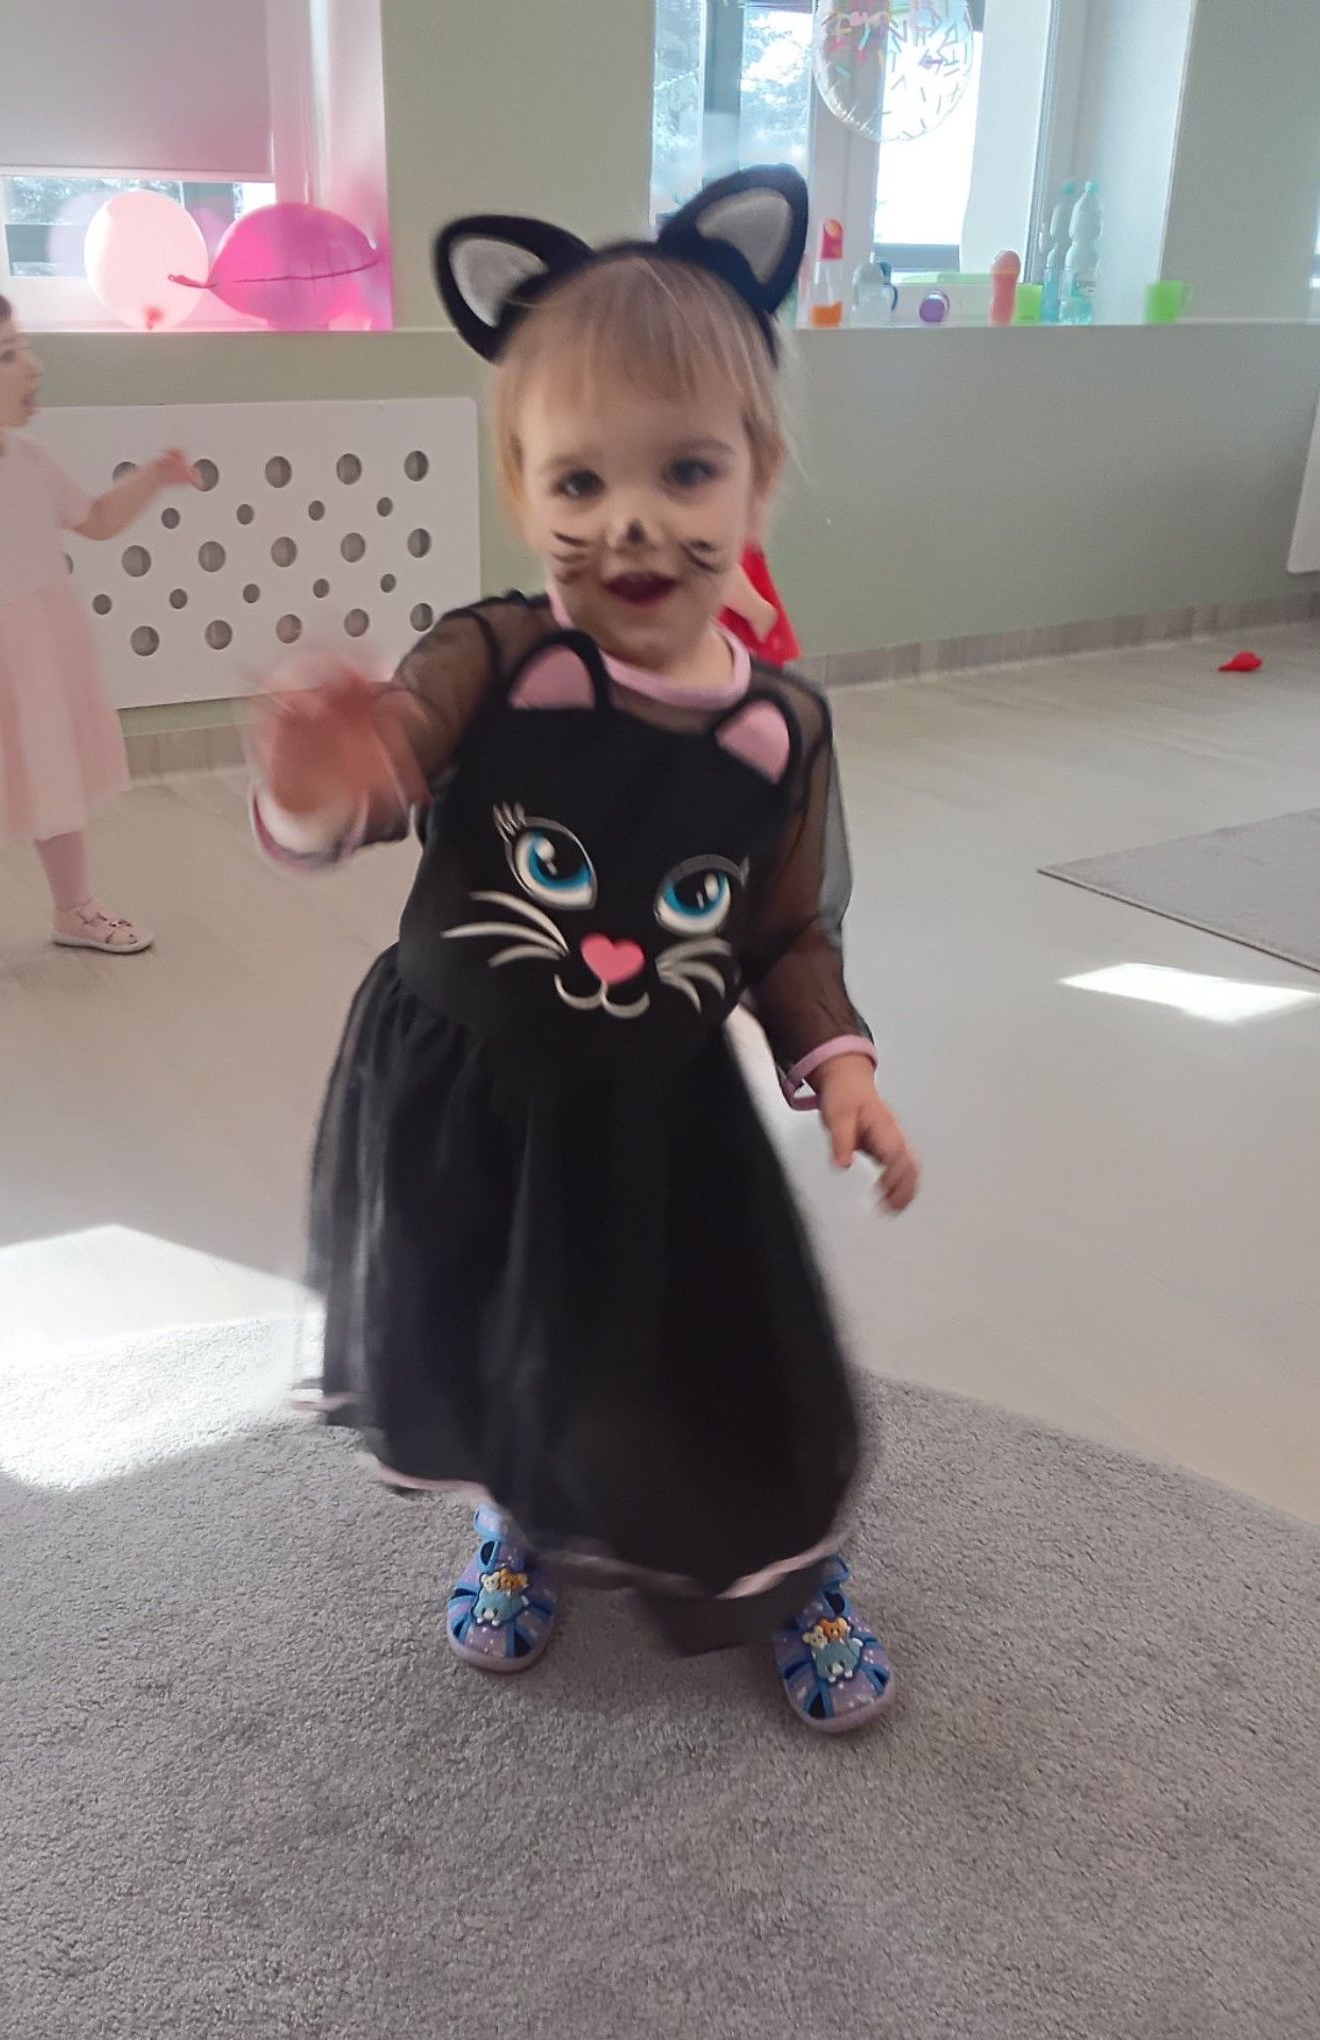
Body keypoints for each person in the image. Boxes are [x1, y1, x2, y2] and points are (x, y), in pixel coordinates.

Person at [251, 169, 920, 1728]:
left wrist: (840, 1067)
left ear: (756, 481)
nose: (630, 520)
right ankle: (522, 1518)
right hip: (464, 1093)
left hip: (656, 1115)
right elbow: (376, 778)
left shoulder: (779, 727)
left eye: (684, 471)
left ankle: (788, 1569)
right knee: (504, 1338)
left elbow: (782, 925)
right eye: (577, 480)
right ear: (520, 488)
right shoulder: (487, 657)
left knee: (705, 1356)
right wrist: (317, 777)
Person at [0, 274, 198, 1008]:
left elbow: (96, 521)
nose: (33, 365)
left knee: (57, 783)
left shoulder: (34, 464)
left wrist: (152, 480)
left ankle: (73, 908)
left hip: (42, 656)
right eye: (9, 353)